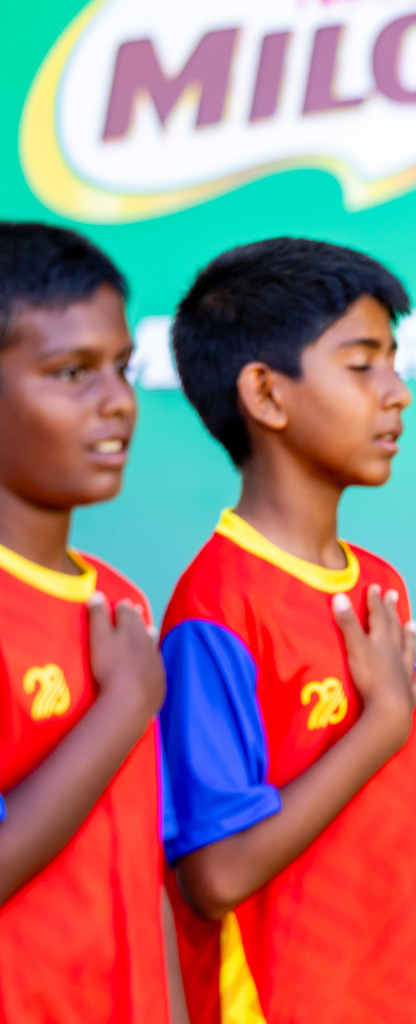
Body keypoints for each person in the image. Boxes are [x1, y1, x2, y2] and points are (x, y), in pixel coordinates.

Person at [156, 238, 416, 1022]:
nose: (398, 393)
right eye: (362, 365)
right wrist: (380, 726)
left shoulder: (379, 581)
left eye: (393, 362)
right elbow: (214, 874)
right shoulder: (218, 608)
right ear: (266, 393)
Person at [0, 222, 179, 1022]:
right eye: (70, 372)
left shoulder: (120, 603)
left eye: (122, 368)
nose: (116, 402)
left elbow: (147, 869)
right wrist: (120, 709)